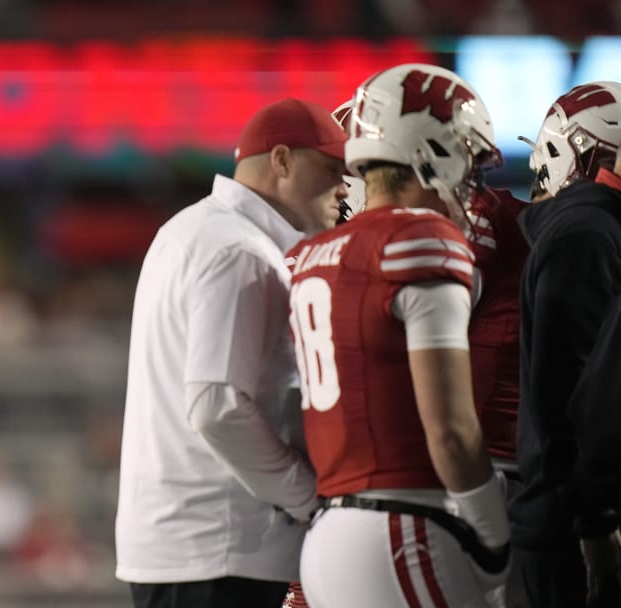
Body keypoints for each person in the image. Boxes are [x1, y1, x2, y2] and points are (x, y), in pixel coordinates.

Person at [288, 63, 510, 608]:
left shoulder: (306, 255)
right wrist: (492, 532)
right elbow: (452, 431)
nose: (472, 180)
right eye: (469, 157)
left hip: (326, 534)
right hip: (401, 527)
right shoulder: (420, 239)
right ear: (436, 150)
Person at [115, 97, 348, 608]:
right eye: (332, 169)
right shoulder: (238, 249)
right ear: (282, 160)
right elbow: (219, 406)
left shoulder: (195, 228)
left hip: (191, 543)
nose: (344, 187)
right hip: (221, 547)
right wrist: (310, 499)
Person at [511, 80, 621, 608]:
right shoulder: (588, 232)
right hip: (574, 524)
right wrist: (594, 521)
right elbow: (577, 393)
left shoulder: (585, 228)